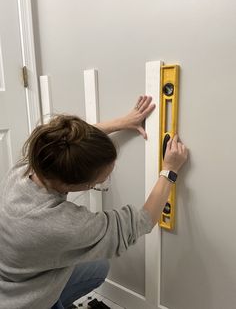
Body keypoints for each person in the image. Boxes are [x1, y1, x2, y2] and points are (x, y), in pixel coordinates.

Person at [0, 96, 188, 309]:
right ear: (75, 184)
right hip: (23, 303)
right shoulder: (61, 225)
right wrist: (170, 170)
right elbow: (143, 220)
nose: (105, 179)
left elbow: (67, 142)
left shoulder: (30, 165)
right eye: (100, 180)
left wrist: (124, 121)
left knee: (97, 267)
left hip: (14, 276)